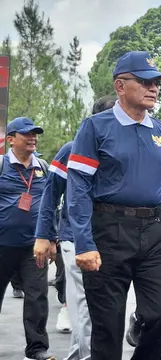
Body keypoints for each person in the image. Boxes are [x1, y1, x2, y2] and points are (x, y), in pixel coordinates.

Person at [66, 50, 161, 360]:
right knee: (107, 328)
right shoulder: (95, 127)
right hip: (108, 232)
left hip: (154, 232)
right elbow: (78, 188)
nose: (154, 88)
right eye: (146, 82)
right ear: (120, 86)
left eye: (158, 83)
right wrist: (84, 242)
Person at [33, 95, 117, 360]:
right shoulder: (72, 149)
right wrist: (44, 235)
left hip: (113, 239)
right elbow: (51, 193)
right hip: (74, 239)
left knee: (105, 312)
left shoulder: (123, 150)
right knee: (85, 311)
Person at [0, 117, 55, 360]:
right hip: (2, 244)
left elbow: (50, 206)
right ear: (10, 140)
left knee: (37, 296)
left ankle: (37, 349)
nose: (32, 138)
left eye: (35, 134)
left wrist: (51, 238)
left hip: (34, 246)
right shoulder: (1, 165)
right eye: (26, 134)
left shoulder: (43, 167)